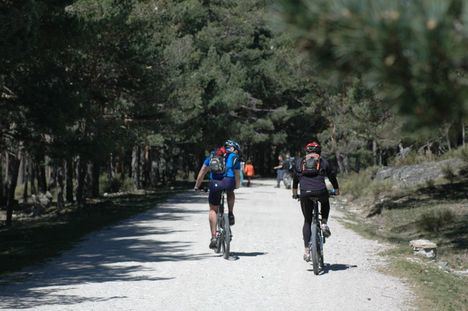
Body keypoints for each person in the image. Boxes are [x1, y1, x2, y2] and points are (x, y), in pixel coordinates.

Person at [291, 141, 340, 261]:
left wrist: (294, 194)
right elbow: (332, 176)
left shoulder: (299, 162)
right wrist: (336, 189)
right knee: (325, 202)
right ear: (319, 152)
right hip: (320, 191)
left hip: (304, 194)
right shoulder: (323, 161)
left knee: (307, 221)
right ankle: (323, 223)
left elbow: (295, 180)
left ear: (306, 151)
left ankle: (307, 251)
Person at [194, 140, 241, 249]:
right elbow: (237, 174)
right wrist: (237, 185)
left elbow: (202, 171)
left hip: (215, 183)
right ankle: (230, 213)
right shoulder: (234, 157)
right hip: (228, 182)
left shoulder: (212, 155)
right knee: (230, 191)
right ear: (234, 148)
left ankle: (214, 237)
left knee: (213, 210)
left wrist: (197, 185)